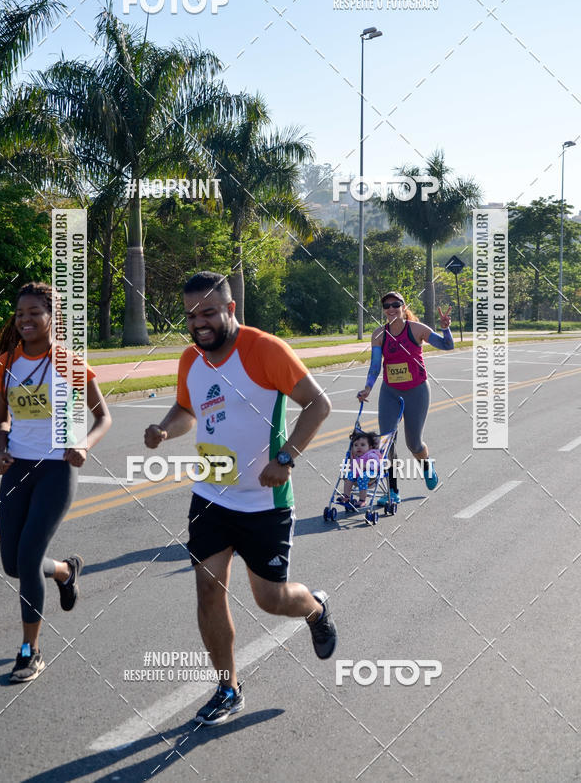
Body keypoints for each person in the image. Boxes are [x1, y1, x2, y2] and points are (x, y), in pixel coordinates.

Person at [144, 271, 336, 726]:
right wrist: (165, 428)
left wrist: (286, 457)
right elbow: (188, 410)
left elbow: (318, 404)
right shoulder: (191, 358)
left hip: (264, 501)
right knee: (209, 588)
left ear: (230, 309)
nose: (199, 322)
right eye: (191, 315)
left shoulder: (265, 349)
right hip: (210, 495)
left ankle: (315, 607)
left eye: (208, 312)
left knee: (271, 600)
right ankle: (228, 688)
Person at [0, 282, 112, 683]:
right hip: (17, 470)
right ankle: (64, 571)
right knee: (12, 563)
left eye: (34, 313)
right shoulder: (6, 361)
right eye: (20, 313)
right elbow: (2, 419)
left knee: (27, 557)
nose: (25, 320)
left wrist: (84, 445)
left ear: (51, 318)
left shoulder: (68, 362)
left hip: (57, 469)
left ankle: (30, 651)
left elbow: (102, 417)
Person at [357, 291, 454, 504]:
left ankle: (427, 465)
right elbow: (375, 366)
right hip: (390, 392)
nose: (391, 309)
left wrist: (446, 328)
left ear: (403, 306)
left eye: (395, 304)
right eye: (386, 305)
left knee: (414, 444)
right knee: (386, 441)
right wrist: (367, 389)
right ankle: (392, 492)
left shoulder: (416, 329)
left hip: (416, 390)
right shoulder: (378, 334)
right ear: (383, 310)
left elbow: (447, 345)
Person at [337, 430, 381, 508]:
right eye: (356, 445)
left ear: (370, 447)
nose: (359, 447)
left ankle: (362, 500)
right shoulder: (355, 456)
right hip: (357, 474)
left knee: (362, 477)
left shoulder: (371, 454)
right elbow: (352, 466)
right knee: (348, 475)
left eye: (362, 445)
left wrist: (366, 466)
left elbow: (376, 465)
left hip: (371, 475)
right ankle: (346, 496)